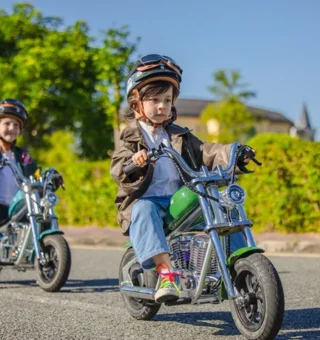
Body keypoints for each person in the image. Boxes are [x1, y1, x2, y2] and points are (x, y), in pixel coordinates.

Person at [111, 54, 254, 303]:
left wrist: (235, 153)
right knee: (143, 209)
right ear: (136, 105)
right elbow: (119, 168)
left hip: (179, 200)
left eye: (167, 100)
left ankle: (241, 262)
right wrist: (135, 162)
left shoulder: (180, 135)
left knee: (221, 205)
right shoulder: (131, 137)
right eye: (154, 100)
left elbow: (206, 152)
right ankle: (166, 274)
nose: (161, 106)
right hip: (147, 202)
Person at [0, 99, 38, 224]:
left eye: (16, 125)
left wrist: (49, 177)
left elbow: (35, 172)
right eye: (7, 124)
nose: (12, 128)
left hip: (17, 208)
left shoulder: (22, 155)